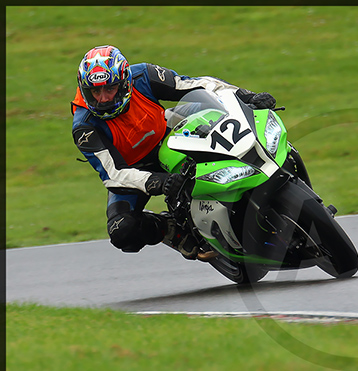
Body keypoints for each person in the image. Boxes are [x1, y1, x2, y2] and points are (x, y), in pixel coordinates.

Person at [71, 45, 276, 260]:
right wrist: (158, 182)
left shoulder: (143, 75)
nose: (102, 99)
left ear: (124, 83)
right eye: (95, 91)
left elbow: (195, 84)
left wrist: (244, 96)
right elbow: (113, 173)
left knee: (210, 108)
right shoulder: (84, 126)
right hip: (135, 170)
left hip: (169, 134)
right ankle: (170, 230)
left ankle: (257, 161)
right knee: (121, 230)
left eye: (109, 89)